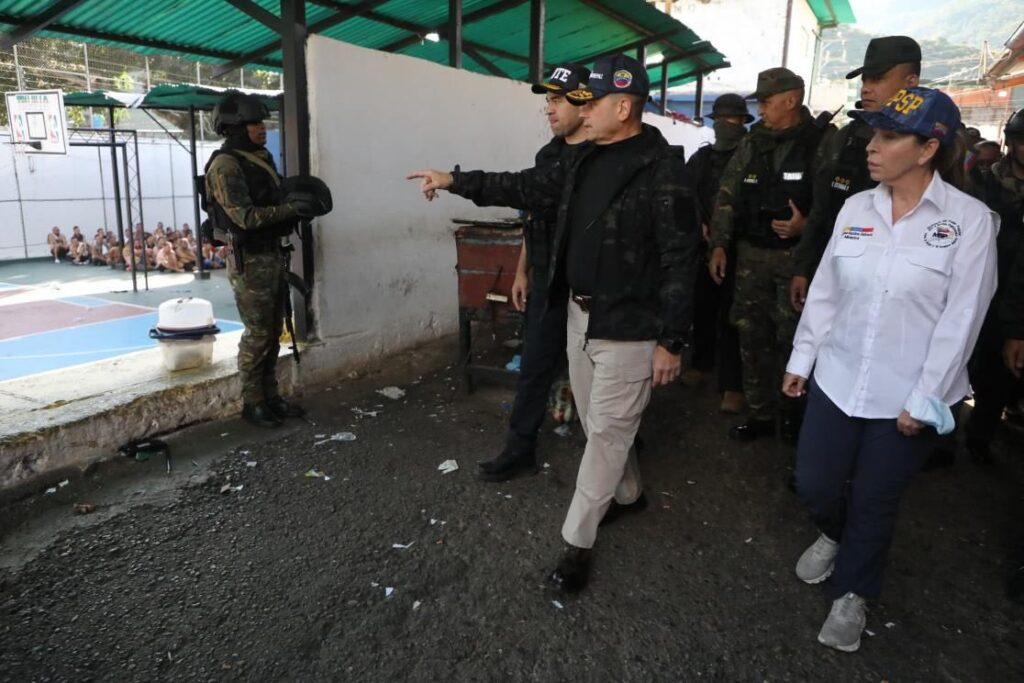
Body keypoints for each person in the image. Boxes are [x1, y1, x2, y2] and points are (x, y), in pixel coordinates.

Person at [408, 54, 698, 594]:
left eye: (590, 102)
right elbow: (521, 188)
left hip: (631, 330)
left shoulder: (663, 171)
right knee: (598, 426)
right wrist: (453, 179)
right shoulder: (578, 161)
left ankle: (576, 544)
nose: (578, 111)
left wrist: (672, 341)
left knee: (606, 437)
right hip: (579, 315)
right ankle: (629, 495)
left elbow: (683, 260)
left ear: (624, 107)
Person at [781, 88, 998, 652]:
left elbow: (964, 317)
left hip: (908, 393)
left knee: (877, 498)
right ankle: (833, 530)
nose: (872, 148)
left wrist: (926, 398)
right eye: (873, 134)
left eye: (888, 136)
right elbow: (826, 291)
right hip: (838, 375)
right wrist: (803, 359)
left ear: (929, 147)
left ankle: (854, 591)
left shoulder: (969, 222)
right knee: (814, 483)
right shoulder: (857, 208)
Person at [467, 63, 592, 482]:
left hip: (590, 291)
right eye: (548, 102)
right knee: (535, 367)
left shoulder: (602, 156)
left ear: (584, 101)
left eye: (557, 101)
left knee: (599, 372)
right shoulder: (550, 154)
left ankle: (619, 448)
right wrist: (524, 272)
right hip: (547, 284)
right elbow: (535, 217)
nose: (549, 110)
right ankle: (520, 448)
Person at [708, 67, 833, 443]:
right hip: (751, 257)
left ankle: (793, 416)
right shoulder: (753, 142)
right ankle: (762, 413)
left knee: (795, 341)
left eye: (767, 101)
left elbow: (836, 205)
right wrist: (718, 243)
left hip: (797, 261)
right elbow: (728, 194)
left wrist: (804, 227)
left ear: (791, 100)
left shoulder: (823, 141)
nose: (761, 109)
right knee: (752, 337)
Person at [206, 91, 315, 428]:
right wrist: (292, 209)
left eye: (261, 121)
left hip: (271, 254)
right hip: (249, 259)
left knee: (273, 330)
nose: (262, 128)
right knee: (258, 333)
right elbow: (243, 217)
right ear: (235, 127)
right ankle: (253, 403)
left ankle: (271, 397)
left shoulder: (259, 156)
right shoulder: (225, 165)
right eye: (254, 123)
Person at [790, 36, 922, 313]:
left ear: (911, 82)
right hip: (837, 274)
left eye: (878, 79)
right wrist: (803, 266)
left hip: (902, 290)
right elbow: (821, 207)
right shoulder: (846, 137)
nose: (867, 88)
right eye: (865, 80)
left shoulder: (934, 141)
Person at [682, 93, 752, 414]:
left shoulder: (753, 156)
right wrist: (699, 227)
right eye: (722, 121)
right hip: (704, 248)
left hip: (742, 250)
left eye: (734, 121)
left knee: (733, 316)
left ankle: (733, 384)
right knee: (703, 307)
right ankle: (701, 364)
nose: (727, 126)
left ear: (743, 122)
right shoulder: (701, 159)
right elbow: (685, 197)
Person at [963, 109, 1024, 463]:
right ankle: (939, 435)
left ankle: (980, 439)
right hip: (978, 288)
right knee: (960, 363)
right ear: (1012, 144)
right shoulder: (985, 184)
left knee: (1000, 377)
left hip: (1014, 300)